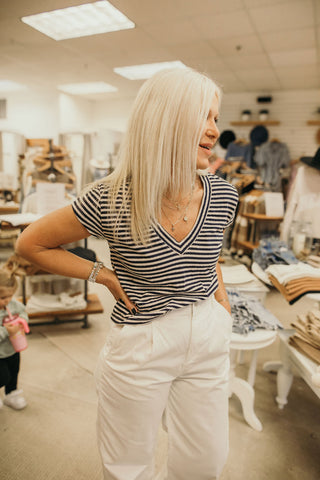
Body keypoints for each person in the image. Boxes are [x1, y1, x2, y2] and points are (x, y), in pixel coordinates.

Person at [16, 68, 239, 480]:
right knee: (128, 468)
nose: (214, 131)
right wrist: (102, 275)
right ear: (167, 119)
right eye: (204, 117)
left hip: (208, 330)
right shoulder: (113, 196)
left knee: (206, 461)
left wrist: (221, 303)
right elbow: (31, 244)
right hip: (142, 340)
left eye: (216, 118)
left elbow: (211, 256)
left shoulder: (225, 194)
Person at [0, 268, 28, 410]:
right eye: (3, 298)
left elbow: (23, 311)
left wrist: (21, 321)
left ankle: (11, 394)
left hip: (13, 348)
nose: (7, 300)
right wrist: (6, 330)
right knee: (2, 376)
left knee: (13, 373)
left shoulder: (12, 304)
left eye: (10, 296)